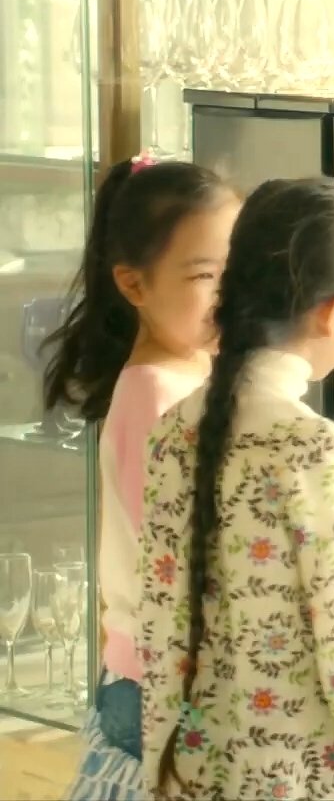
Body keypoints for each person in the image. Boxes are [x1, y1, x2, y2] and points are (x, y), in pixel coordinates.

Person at [136, 178, 334, 800]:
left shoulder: (171, 433)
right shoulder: (315, 448)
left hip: (192, 766)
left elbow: (157, 620)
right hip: (307, 773)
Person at [38, 156, 237, 801]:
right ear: (133, 283)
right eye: (204, 276)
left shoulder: (195, 374)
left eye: (236, 272)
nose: (227, 295)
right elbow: (180, 557)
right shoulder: (155, 394)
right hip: (160, 683)